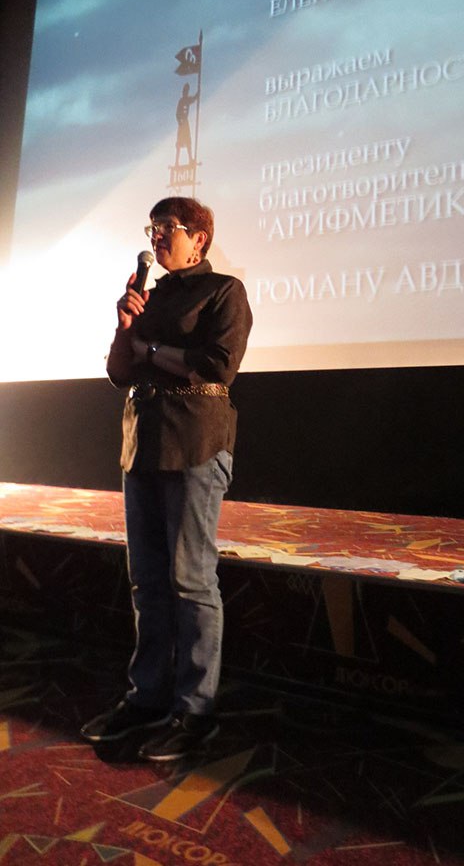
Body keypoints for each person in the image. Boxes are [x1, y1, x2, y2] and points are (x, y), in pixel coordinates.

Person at [81, 196, 252, 761]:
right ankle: (147, 697)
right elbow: (119, 372)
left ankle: (195, 709)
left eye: (168, 228)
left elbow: (217, 367)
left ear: (199, 238)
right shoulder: (148, 297)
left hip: (195, 443)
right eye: (152, 228)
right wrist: (125, 326)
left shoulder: (223, 291)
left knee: (191, 579)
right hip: (142, 444)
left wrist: (151, 347)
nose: (156, 237)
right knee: (147, 581)